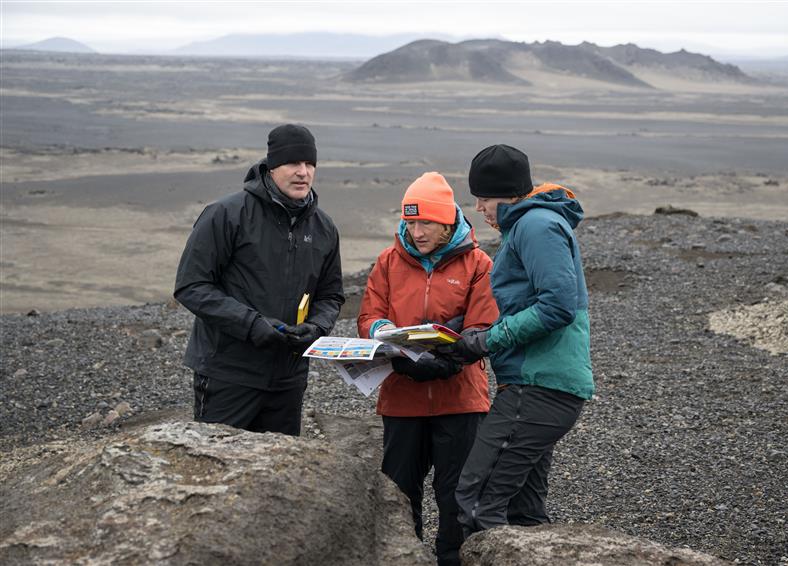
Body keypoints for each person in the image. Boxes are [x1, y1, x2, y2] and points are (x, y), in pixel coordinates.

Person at [444, 144, 594, 534]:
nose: (479, 208)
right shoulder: (533, 224)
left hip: (537, 386)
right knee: (522, 511)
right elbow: (530, 302)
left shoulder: (535, 226)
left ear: (508, 194)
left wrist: (488, 340)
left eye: (484, 198)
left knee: (478, 500)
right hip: (544, 386)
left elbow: (557, 306)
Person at [358, 172, 499, 566]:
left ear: (447, 222)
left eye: (426, 223)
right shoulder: (389, 261)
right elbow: (369, 314)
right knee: (398, 491)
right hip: (402, 398)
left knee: (457, 495)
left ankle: (453, 560)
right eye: (410, 222)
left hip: (461, 399)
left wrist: (448, 359)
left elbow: (484, 325)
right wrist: (382, 331)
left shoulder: (478, 263)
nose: (416, 231)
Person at [174, 124, 344, 436]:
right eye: (293, 163)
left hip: (288, 378)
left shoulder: (323, 228)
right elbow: (191, 285)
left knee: (279, 477)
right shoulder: (227, 214)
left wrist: (316, 327)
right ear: (271, 166)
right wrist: (251, 325)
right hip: (229, 374)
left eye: (309, 164)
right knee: (216, 472)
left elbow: (331, 295)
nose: (302, 172)